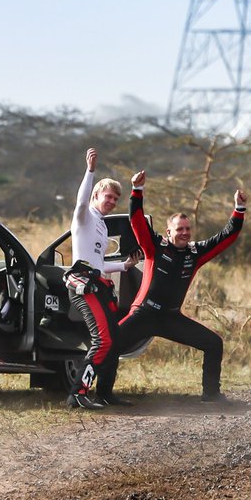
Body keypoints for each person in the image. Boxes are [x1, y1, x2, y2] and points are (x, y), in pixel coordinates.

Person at [99, 170, 246, 403]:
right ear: (169, 232)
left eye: (188, 229)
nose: (185, 233)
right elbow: (136, 221)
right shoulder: (154, 246)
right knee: (110, 345)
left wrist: (239, 209)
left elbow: (226, 237)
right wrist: (137, 191)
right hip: (144, 313)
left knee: (213, 343)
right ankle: (103, 395)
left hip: (171, 318)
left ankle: (211, 394)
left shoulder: (195, 253)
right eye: (180, 229)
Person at [64, 147, 140, 410]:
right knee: (103, 340)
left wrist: (124, 265)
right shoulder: (84, 217)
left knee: (115, 341)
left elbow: (98, 264)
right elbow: (81, 202)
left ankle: (105, 393)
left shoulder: (102, 224)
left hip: (98, 283)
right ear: (97, 194)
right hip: (83, 286)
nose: (111, 202)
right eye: (108, 196)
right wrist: (90, 171)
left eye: (115, 199)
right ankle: (78, 393)